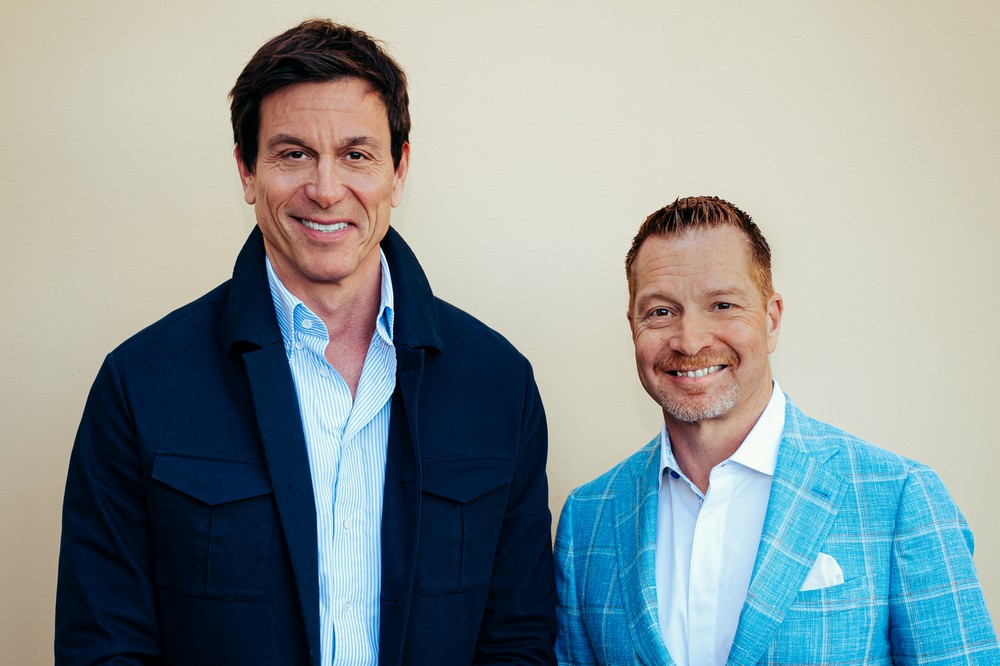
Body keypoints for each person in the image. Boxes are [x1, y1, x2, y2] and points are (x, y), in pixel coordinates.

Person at [55, 19, 556, 665]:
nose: (325, 188)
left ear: (398, 172)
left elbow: (517, 640)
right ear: (246, 170)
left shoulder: (498, 385)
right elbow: (105, 646)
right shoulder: (140, 385)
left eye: (356, 154)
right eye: (293, 153)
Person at [554, 196, 998, 665]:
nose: (690, 340)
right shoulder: (587, 519)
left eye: (722, 304)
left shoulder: (900, 497)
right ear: (633, 326)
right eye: (661, 312)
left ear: (771, 319)